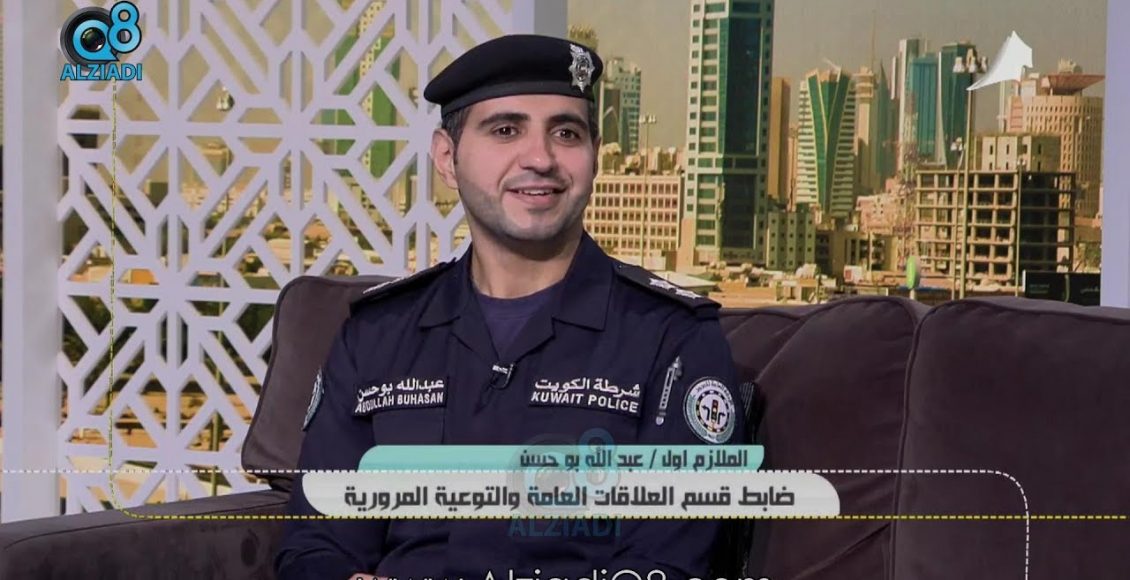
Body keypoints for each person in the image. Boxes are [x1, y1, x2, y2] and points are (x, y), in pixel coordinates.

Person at [274, 33, 747, 580]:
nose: (541, 158)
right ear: (448, 159)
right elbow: (316, 545)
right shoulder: (377, 335)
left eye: (566, 133)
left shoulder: (673, 342)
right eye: (506, 130)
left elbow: (666, 564)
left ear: (594, 155)